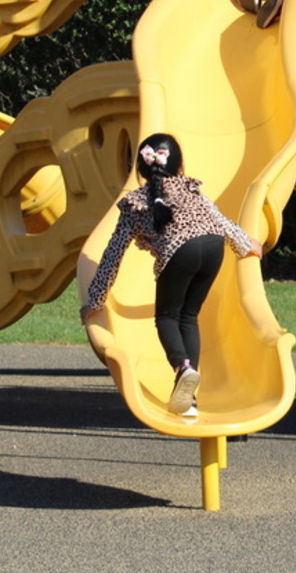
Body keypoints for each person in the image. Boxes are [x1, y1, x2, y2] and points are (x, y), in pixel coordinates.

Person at [80, 133, 261, 417]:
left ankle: (183, 367)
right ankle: (189, 398)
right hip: (214, 247)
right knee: (189, 316)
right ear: (179, 167)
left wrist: (95, 300)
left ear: (139, 169)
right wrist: (245, 243)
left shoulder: (135, 203)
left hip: (182, 252)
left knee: (166, 317)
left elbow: (113, 255)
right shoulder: (191, 188)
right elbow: (218, 219)